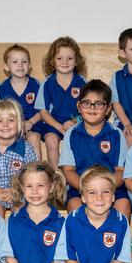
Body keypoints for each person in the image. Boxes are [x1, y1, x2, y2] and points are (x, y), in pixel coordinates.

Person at [59, 79, 130, 217]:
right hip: (80, 186)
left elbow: (121, 172)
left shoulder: (116, 134)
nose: (92, 108)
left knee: (124, 204)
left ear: (108, 108)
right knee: (74, 205)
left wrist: (104, 189)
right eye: (86, 103)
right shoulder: (71, 134)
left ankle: (120, 238)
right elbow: (68, 171)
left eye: (99, 104)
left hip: (111, 187)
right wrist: (87, 189)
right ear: (79, 107)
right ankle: (82, 239)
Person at [33, 36, 87, 166]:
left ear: (76, 62)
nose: (65, 62)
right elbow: (43, 112)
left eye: (70, 58)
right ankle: (57, 176)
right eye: (59, 58)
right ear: (52, 61)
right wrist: (58, 126)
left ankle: (78, 173)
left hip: (77, 123)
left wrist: (75, 121)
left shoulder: (82, 83)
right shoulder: (47, 84)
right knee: (51, 140)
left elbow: (88, 109)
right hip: (53, 125)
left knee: (82, 139)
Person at [0, 44, 42, 156]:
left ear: (29, 66)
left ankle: (38, 170)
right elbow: (0, 114)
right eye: (15, 62)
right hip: (11, 126)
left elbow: (43, 111)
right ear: (6, 67)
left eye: (24, 62)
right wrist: (16, 125)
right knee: (14, 137)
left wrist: (30, 122)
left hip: (34, 124)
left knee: (34, 137)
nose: (20, 65)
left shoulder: (37, 86)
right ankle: (15, 169)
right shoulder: (2, 88)